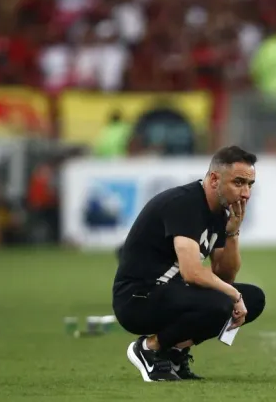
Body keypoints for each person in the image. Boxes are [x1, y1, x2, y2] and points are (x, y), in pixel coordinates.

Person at [112, 146, 266, 382]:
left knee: (253, 298)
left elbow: (224, 276)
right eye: (238, 183)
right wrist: (233, 296)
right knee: (225, 301)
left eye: (250, 185)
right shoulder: (185, 204)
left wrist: (233, 233)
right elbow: (192, 272)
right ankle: (149, 348)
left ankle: (174, 352)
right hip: (137, 298)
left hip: (172, 293)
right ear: (214, 179)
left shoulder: (218, 213)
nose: (246, 194)